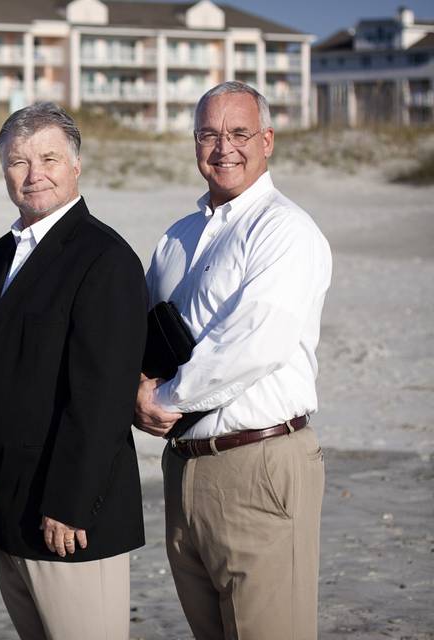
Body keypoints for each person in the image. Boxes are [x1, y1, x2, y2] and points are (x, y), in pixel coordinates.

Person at [135, 81, 332, 640]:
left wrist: (162, 400)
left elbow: (253, 343)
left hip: (261, 464)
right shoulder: (177, 238)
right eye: (209, 134)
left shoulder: (284, 230)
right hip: (183, 467)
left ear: (267, 140)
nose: (224, 147)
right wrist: (134, 388)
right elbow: (143, 332)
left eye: (240, 132)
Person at [0, 102, 148, 639]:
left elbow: (102, 397)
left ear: (76, 165)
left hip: (72, 518)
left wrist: (71, 505)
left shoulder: (105, 258)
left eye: (49, 158)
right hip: (10, 508)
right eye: (17, 162)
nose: (33, 174)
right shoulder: (1, 254)